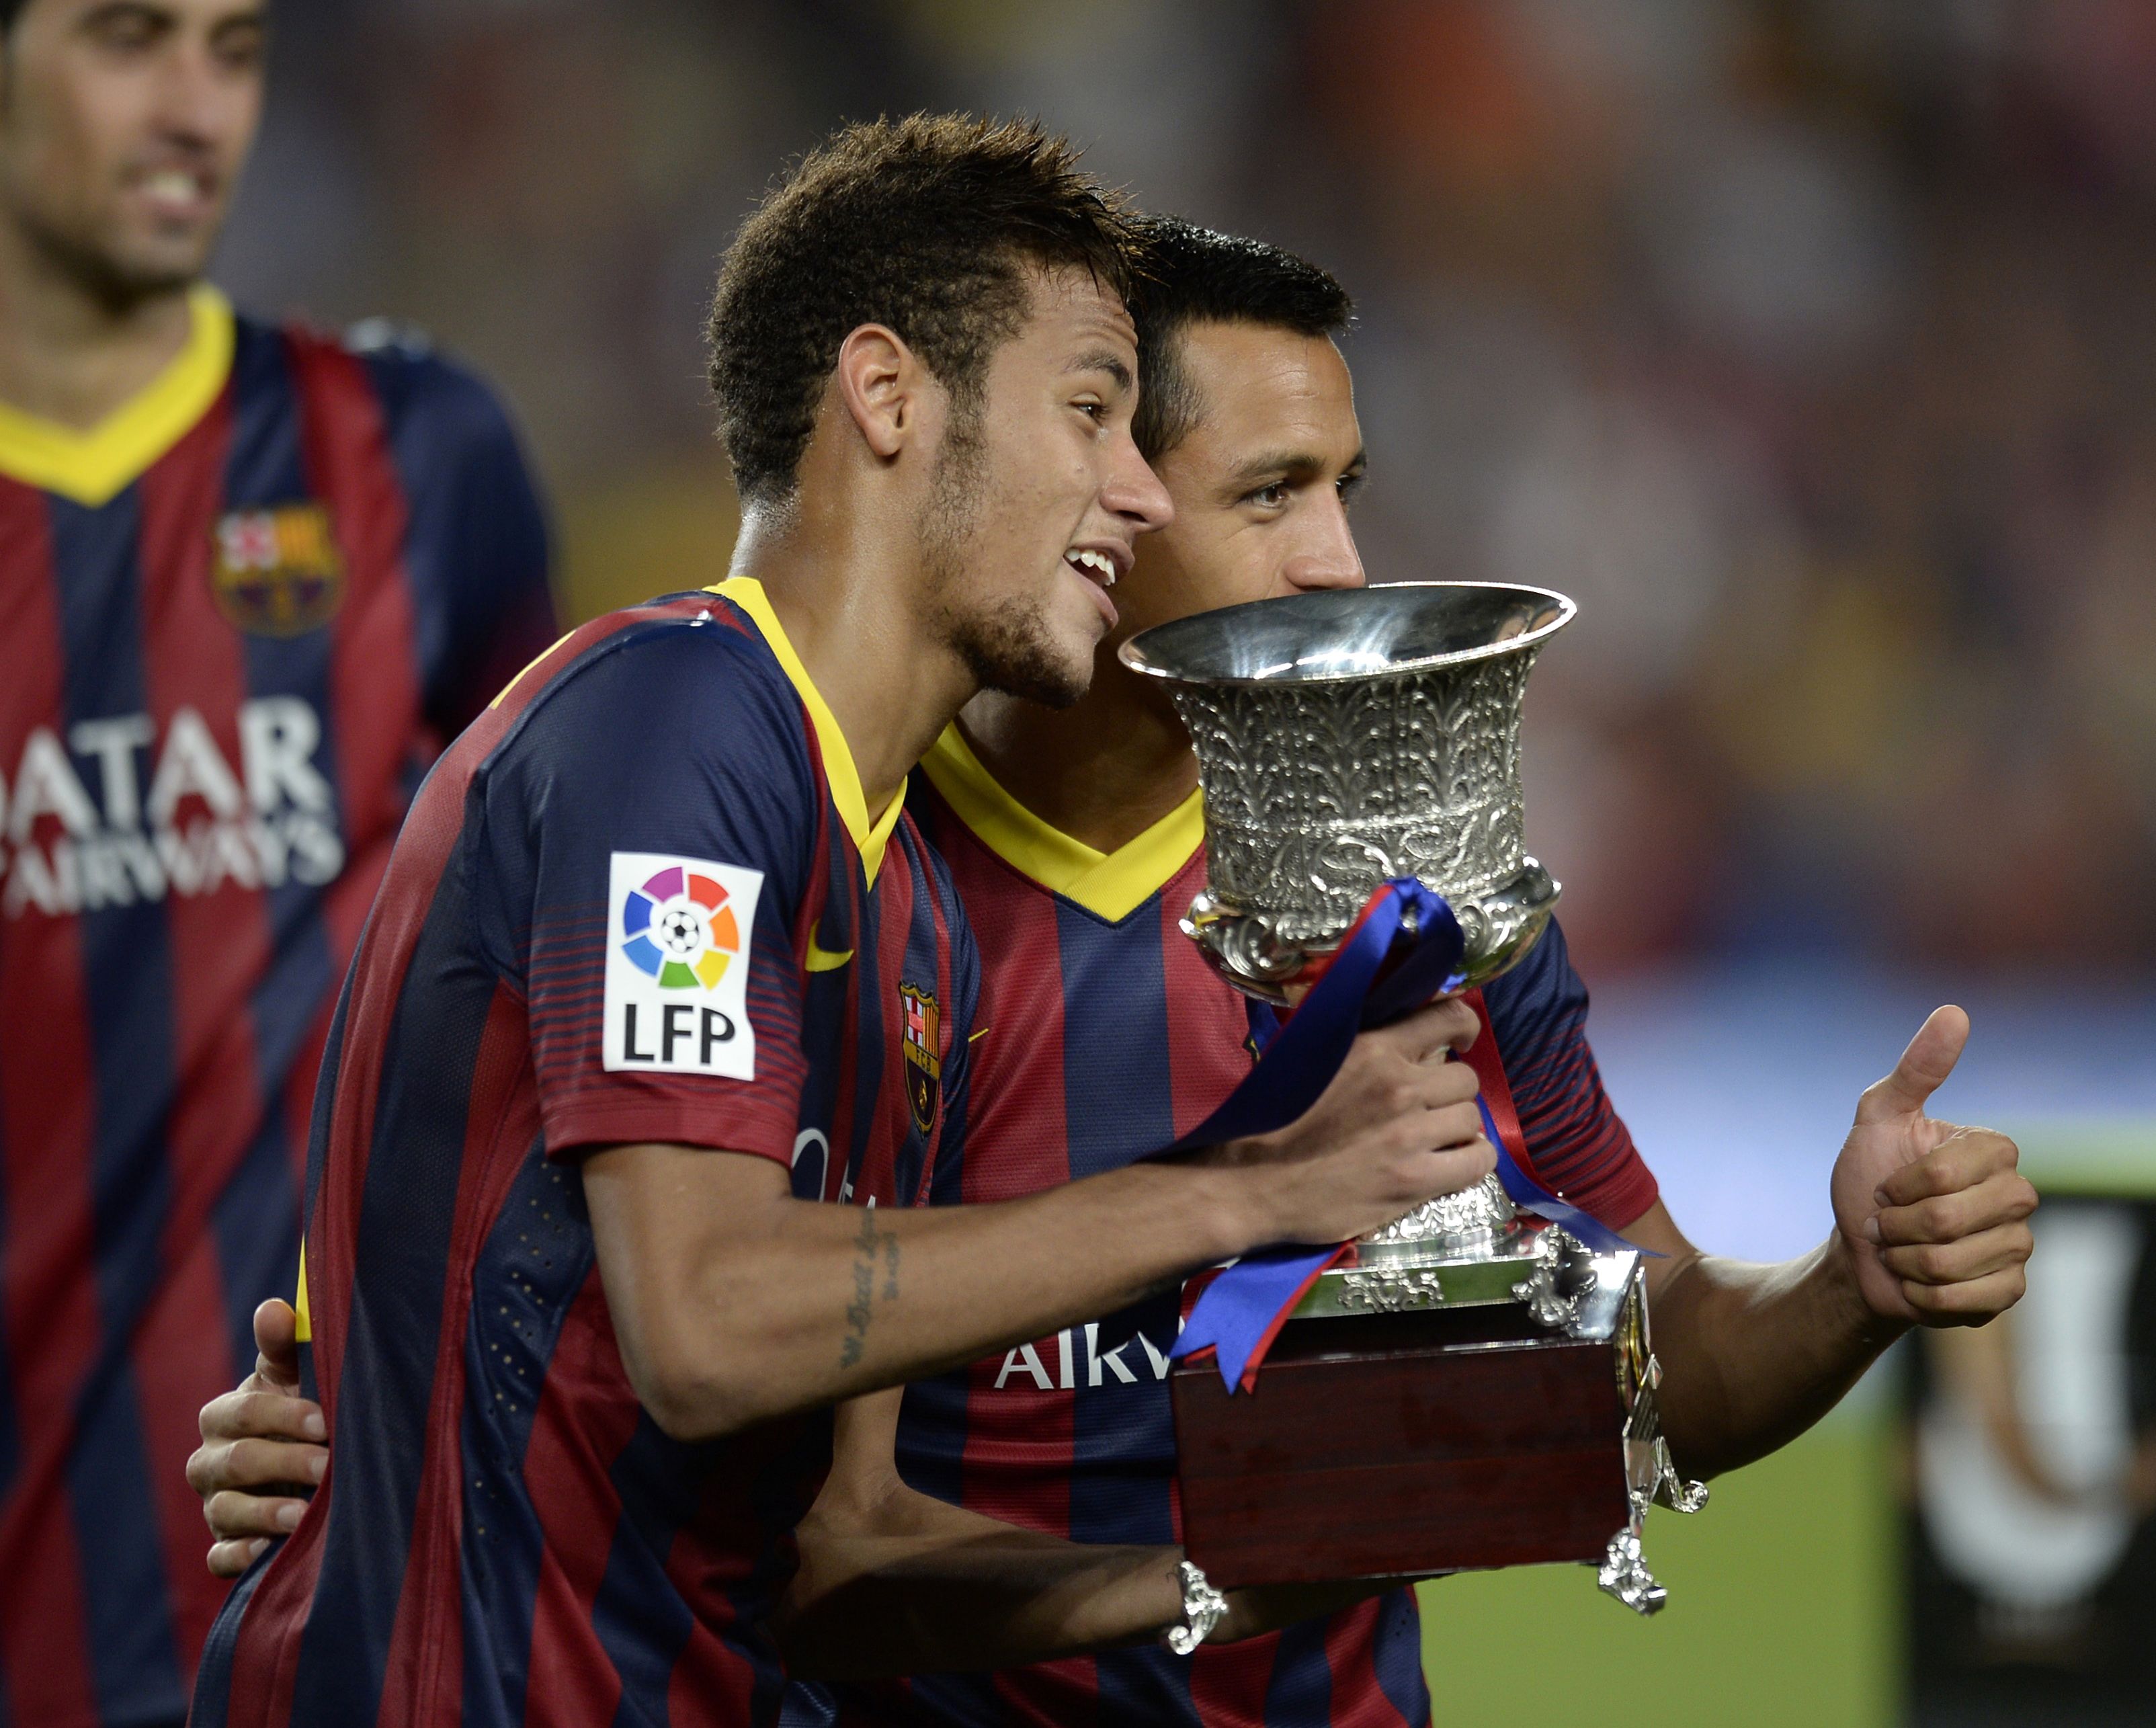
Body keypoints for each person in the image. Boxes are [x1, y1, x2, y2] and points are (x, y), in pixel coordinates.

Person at [193, 214, 2041, 1723]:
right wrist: (351, 1429)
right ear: (1116, 498)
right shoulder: (843, 869)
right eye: (1264, 493)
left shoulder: (1421, 899)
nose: (1338, 560)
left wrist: (1846, 1284)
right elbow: (734, 1414)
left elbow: (1646, 1349)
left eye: (1345, 486)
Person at [184, 119, 1498, 1728]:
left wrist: (1234, 1572)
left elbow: (841, 1547)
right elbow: (711, 1323)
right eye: (1090, 407)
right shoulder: (670, 729)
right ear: (887, 397)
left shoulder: (902, 908)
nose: (1139, 488)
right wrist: (1257, 1187)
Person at [0, 0, 554, 1723]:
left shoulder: (414, 456)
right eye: (128, 38)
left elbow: (545, 983)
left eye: (235, 52)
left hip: (387, 1606)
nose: (196, 109)